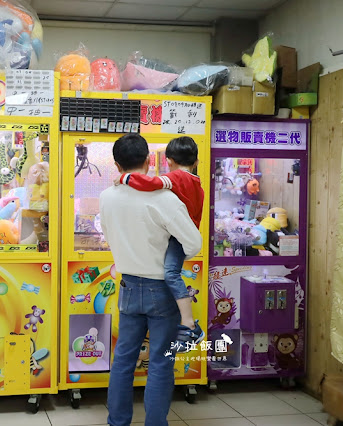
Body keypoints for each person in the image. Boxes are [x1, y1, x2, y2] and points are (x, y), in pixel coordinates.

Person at [100, 134, 202, 426]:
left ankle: (117, 422)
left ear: (117, 165)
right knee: (160, 362)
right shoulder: (165, 198)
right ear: (149, 160)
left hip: (129, 286)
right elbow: (194, 244)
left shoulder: (107, 196)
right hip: (161, 289)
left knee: (123, 360)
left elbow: (108, 235)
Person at [117, 136, 204, 351]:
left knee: (171, 274)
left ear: (169, 160)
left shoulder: (174, 178)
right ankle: (188, 324)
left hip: (176, 238)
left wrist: (125, 179)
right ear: (196, 162)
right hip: (183, 234)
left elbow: (151, 183)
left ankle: (190, 324)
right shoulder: (197, 183)